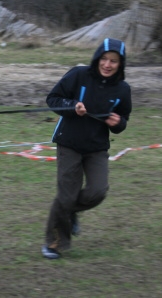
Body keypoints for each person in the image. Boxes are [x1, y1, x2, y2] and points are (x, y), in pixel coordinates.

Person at [42, 38, 132, 259]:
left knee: (97, 192)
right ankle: (55, 243)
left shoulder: (122, 89)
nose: (108, 65)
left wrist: (118, 123)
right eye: (104, 59)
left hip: (96, 148)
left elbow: (124, 119)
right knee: (66, 196)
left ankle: (70, 212)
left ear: (120, 64)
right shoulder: (79, 75)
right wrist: (73, 106)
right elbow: (53, 99)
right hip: (69, 143)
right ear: (97, 58)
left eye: (113, 61)